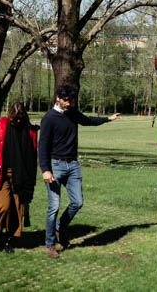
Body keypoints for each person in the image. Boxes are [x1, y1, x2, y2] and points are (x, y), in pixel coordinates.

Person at [38, 84, 120, 258]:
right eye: (65, 100)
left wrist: (108, 119)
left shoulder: (72, 113)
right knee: (54, 206)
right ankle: (50, 244)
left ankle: (60, 227)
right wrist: (45, 170)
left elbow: (87, 120)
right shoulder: (49, 118)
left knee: (78, 202)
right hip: (55, 165)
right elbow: (42, 146)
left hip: (73, 165)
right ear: (57, 98)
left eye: (70, 100)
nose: (68, 103)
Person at [0, 102, 37, 254]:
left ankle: (9, 239)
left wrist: (31, 180)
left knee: (17, 209)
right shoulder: (2, 125)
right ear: (10, 116)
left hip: (22, 175)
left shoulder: (30, 131)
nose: (18, 121)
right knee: (3, 206)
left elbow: (32, 156)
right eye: (15, 119)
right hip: (3, 173)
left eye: (20, 119)